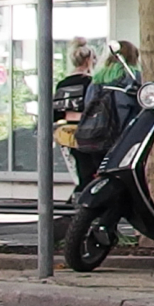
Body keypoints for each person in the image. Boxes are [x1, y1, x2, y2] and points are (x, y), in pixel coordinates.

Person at [54, 44, 100, 196]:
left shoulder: (63, 84)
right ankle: (84, 198)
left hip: (68, 130)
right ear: (89, 60)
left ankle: (80, 195)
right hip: (87, 128)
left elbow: (56, 112)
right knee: (93, 168)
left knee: (81, 166)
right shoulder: (91, 82)